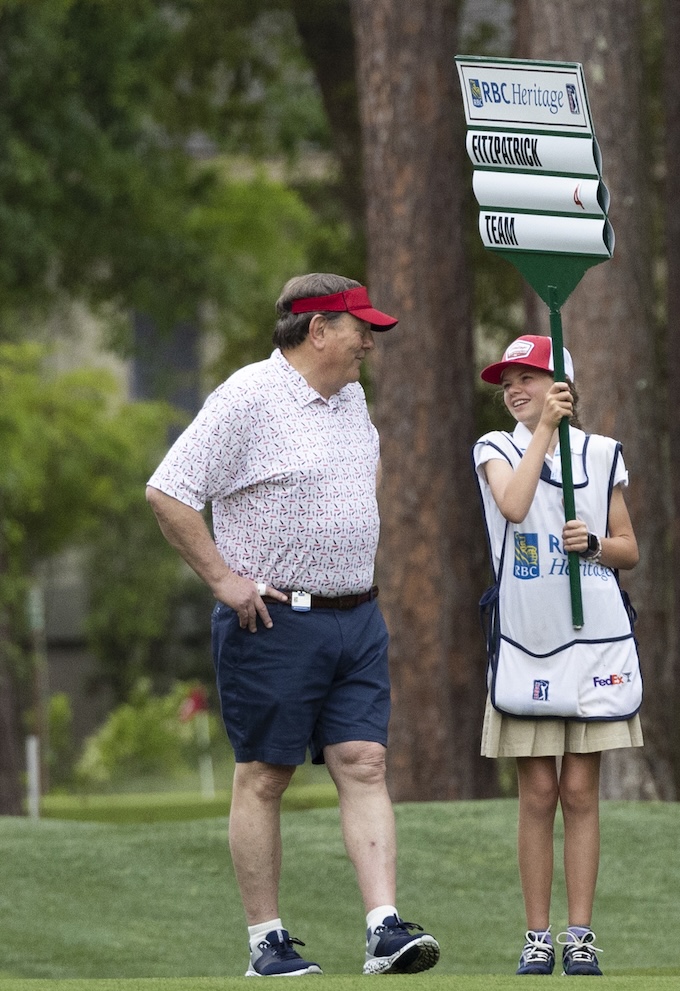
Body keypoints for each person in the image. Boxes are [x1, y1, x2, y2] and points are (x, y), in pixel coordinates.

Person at [146, 273, 440, 978]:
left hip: (356, 617)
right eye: (359, 327)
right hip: (274, 621)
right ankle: (266, 941)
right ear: (318, 331)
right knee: (266, 774)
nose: (370, 340)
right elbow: (169, 490)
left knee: (365, 763)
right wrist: (224, 579)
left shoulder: (350, 397)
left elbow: (363, 469)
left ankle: (383, 929)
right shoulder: (247, 397)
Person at [472, 335, 643, 977]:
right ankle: (536, 935)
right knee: (537, 790)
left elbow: (628, 546)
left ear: (561, 384)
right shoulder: (497, 447)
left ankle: (580, 935)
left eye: (529, 377)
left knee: (579, 789)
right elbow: (513, 504)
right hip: (527, 641)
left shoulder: (601, 456)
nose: (514, 389)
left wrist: (594, 542)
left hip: (592, 643)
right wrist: (543, 429)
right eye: (507, 381)